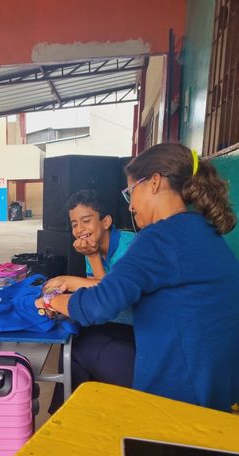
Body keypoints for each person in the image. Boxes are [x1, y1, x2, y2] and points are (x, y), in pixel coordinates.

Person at [37, 143, 239, 412]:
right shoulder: (203, 230)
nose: (131, 206)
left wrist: (49, 301)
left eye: (131, 191)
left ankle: (77, 419)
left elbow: (99, 305)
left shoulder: (159, 238)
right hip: (216, 380)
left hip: (183, 390)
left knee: (81, 346)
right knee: (94, 335)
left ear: (154, 182)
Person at [48, 189, 136, 413]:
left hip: (136, 330)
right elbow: (93, 288)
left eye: (86, 221)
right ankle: (70, 410)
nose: (80, 229)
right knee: (74, 337)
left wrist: (85, 263)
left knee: (78, 347)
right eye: (74, 224)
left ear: (106, 222)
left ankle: (68, 412)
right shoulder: (93, 245)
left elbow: (109, 297)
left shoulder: (130, 247)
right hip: (113, 323)